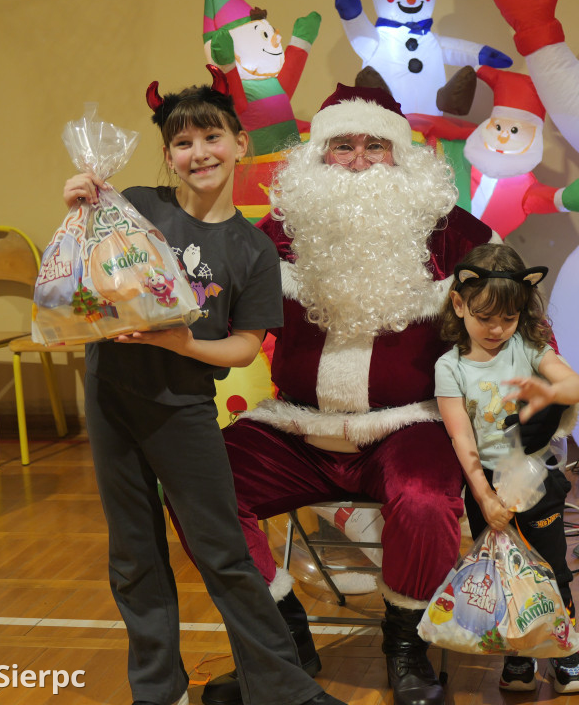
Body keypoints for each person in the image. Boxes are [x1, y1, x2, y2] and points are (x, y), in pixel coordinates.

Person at [200, 83, 494, 705]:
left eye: (375, 146)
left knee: (424, 497)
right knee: (198, 481)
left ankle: (407, 644)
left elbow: (513, 322)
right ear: (318, 156)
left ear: (401, 156)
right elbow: (214, 308)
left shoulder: (455, 238)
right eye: (342, 146)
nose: (359, 161)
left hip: (408, 425)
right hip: (294, 427)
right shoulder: (274, 236)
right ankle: (279, 643)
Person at [62, 65, 344, 705]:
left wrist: (183, 345)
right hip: (110, 396)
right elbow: (89, 272)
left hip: (183, 408)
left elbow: (244, 344)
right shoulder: (137, 205)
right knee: (133, 554)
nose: (199, 153)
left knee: (223, 552)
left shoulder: (253, 249)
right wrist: (79, 204)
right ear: (168, 156)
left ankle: (283, 689)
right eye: (183, 143)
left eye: (211, 137)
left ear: (240, 143)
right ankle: (157, 690)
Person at [434, 242, 579, 695]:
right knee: (504, 572)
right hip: (488, 486)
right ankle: (518, 654)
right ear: (459, 303)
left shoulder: (528, 347)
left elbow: (577, 386)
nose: (498, 328)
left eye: (509, 317)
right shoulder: (450, 367)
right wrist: (483, 496)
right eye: (485, 317)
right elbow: (462, 439)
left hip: (537, 480)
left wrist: (552, 393)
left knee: (552, 568)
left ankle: (564, 653)